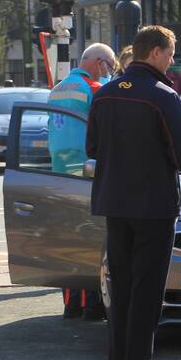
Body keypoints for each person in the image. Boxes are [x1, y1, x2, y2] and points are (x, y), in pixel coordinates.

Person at [86, 25, 181, 360]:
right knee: (147, 290)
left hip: (114, 204)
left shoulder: (105, 94)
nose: (171, 60)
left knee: (121, 287)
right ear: (154, 53)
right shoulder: (163, 96)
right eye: (170, 53)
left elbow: (92, 146)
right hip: (154, 206)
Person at [49, 42, 116, 319]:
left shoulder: (57, 88)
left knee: (67, 239)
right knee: (90, 240)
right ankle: (92, 305)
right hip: (88, 172)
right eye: (109, 67)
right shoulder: (95, 89)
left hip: (60, 172)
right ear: (99, 62)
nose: (109, 72)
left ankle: (71, 303)